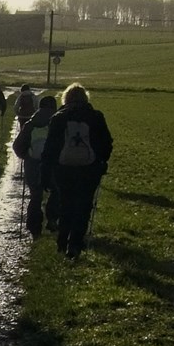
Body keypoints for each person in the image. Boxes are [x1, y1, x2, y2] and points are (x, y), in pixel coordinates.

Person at [40, 83, 114, 257]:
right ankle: (75, 244)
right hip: (89, 170)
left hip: (63, 170)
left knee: (66, 205)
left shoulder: (59, 117)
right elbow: (106, 143)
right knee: (84, 207)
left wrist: (45, 174)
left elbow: (49, 149)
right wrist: (101, 162)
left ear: (66, 98)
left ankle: (62, 242)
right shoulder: (96, 117)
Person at [17, 90, 59, 236]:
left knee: (35, 196)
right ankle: (52, 218)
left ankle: (34, 227)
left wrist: (25, 156)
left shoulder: (30, 124)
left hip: (32, 164)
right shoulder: (58, 123)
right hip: (53, 165)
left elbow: (17, 146)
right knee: (56, 191)